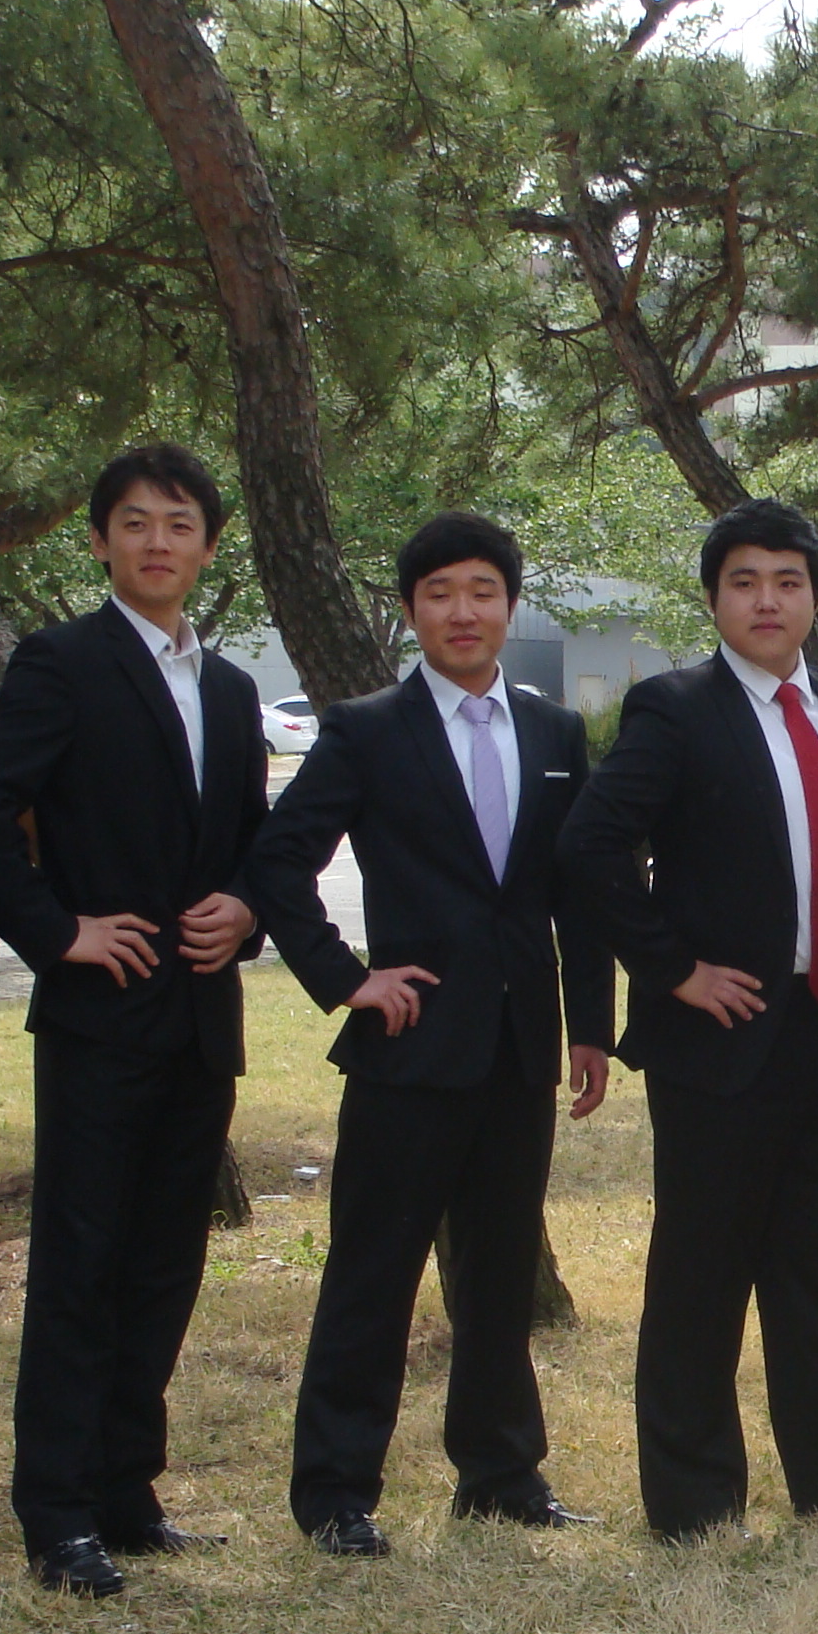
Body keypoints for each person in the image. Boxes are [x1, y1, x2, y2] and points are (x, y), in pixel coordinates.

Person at [558, 499, 818, 1540]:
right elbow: (588, 849)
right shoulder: (676, 709)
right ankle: (694, 1500)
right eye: (744, 583)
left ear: (815, 596)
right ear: (714, 598)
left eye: (788, 582)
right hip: (720, 1039)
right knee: (703, 1277)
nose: (768, 601)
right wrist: (673, 970)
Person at [245, 511, 615, 1557]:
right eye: (441, 593)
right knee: (374, 1271)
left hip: (520, 1047)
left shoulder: (554, 734)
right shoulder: (366, 729)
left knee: (499, 1273)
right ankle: (334, 1493)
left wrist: (592, 1028)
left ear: (510, 605)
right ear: (411, 611)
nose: (463, 611)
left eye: (483, 592)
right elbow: (278, 862)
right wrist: (346, 980)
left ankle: (501, 1474)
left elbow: (581, 891)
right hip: (408, 1049)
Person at [0, 445, 271, 1598]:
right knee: (81, 1265)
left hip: (201, 1019)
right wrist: (57, 929)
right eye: (134, 522)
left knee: (165, 1264)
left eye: (179, 524)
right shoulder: (63, 663)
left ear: (209, 546)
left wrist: (248, 908)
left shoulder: (230, 690)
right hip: (98, 1019)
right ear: (98, 542)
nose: (156, 542)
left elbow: (252, 839)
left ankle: (129, 1492)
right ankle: (58, 1512)